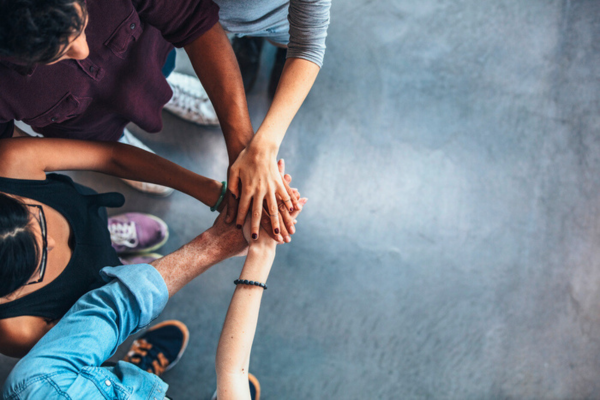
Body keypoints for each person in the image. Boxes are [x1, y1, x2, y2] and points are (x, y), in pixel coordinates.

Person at [0, 0, 303, 237]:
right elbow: (77, 156)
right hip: (87, 130)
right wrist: (213, 193)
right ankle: (125, 139)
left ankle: (166, 90)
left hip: (149, 55)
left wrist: (243, 152)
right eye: (58, 53)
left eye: (82, 23)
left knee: (162, 71)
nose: (83, 51)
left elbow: (192, 22)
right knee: (104, 140)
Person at [0, 136, 299, 358]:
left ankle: (113, 241)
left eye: (33, 218)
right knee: (118, 287)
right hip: (94, 293)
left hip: (87, 216)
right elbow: (106, 321)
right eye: (37, 262)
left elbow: (111, 156)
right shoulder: (18, 329)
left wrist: (216, 195)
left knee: (98, 234)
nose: (51, 240)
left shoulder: (10, 162)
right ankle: (123, 273)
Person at [1, 194, 306, 399]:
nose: (51, 242)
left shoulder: (39, 384)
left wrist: (256, 252)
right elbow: (231, 372)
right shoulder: (36, 382)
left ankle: (138, 372)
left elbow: (232, 371)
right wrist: (258, 249)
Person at [165, 0, 331, 238]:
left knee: (286, 39)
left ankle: (279, 52)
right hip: (219, 23)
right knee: (239, 41)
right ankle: (250, 44)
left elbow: (307, 44)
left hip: (280, 22)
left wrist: (263, 147)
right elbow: (194, 18)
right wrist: (245, 150)